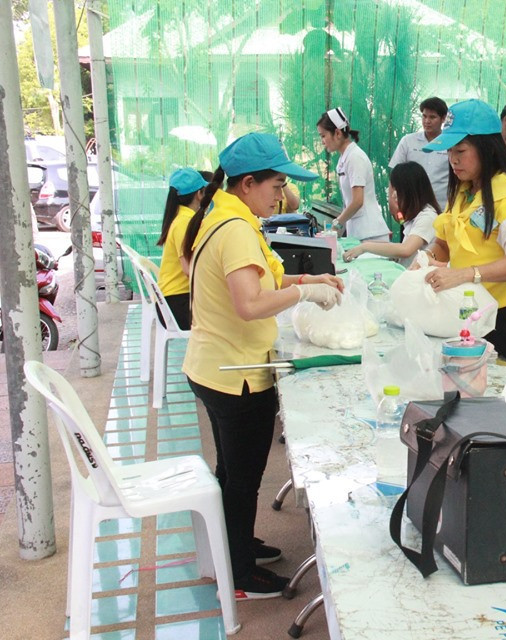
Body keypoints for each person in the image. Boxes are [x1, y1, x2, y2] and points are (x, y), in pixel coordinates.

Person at [180, 132, 344, 600]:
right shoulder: (234, 229)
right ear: (248, 183)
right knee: (242, 478)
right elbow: (250, 304)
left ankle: (236, 546)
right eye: (277, 184)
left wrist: (308, 276)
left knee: (232, 471)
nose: (283, 193)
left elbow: (263, 277)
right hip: (235, 374)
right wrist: (306, 292)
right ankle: (238, 574)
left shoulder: (234, 217)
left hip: (216, 366)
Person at [418, 99, 506, 364]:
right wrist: (425, 258)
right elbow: (445, 245)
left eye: (460, 151)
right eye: (450, 152)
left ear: (487, 149)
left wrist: (465, 275)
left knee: (494, 395)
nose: (453, 160)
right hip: (469, 311)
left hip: (504, 317)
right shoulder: (463, 190)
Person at [342, 161, 440, 267]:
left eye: (396, 191)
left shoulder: (428, 217)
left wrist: (365, 247)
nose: (393, 196)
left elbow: (406, 249)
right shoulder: (413, 217)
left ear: (409, 191)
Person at [317, 108, 391, 242]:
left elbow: (357, 201)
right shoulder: (344, 158)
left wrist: (336, 224)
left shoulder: (355, 157)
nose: (322, 141)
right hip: (359, 234)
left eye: (323, 136)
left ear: (337, 133)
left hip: (371, 235)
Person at [156, 168, 208, 330]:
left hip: (171, 301)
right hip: (177, 305)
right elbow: (188, 269)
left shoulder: (179, 217)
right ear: (200, 194)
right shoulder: (185, 222)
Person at [389, 97, 450, 209]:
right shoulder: (408, 141)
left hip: (442, 211)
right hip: (411, 210)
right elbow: (395, 176)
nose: (427, 121)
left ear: (443, 119)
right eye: (424, 116)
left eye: (432, 117)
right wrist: (393, 204)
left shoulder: (450, 144)